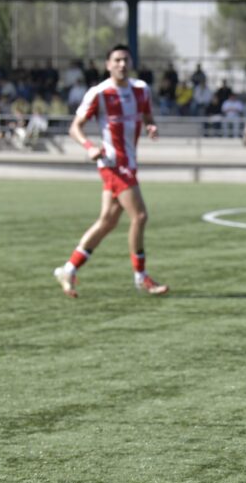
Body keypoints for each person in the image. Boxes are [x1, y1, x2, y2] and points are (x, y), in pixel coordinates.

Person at [52, 44, 168, 298]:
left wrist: (151, 127)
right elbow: (75, 127)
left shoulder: (141, 90)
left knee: (108, 221)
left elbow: (147, 116)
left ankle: (69, 269)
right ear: (108, 65)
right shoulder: (100, 93)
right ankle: (141, 276)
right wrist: (90, 147)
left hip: (130, 163)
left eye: (126, 59)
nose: (122, 64)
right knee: (139, 216)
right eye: (116, 60)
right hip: (113, 164)